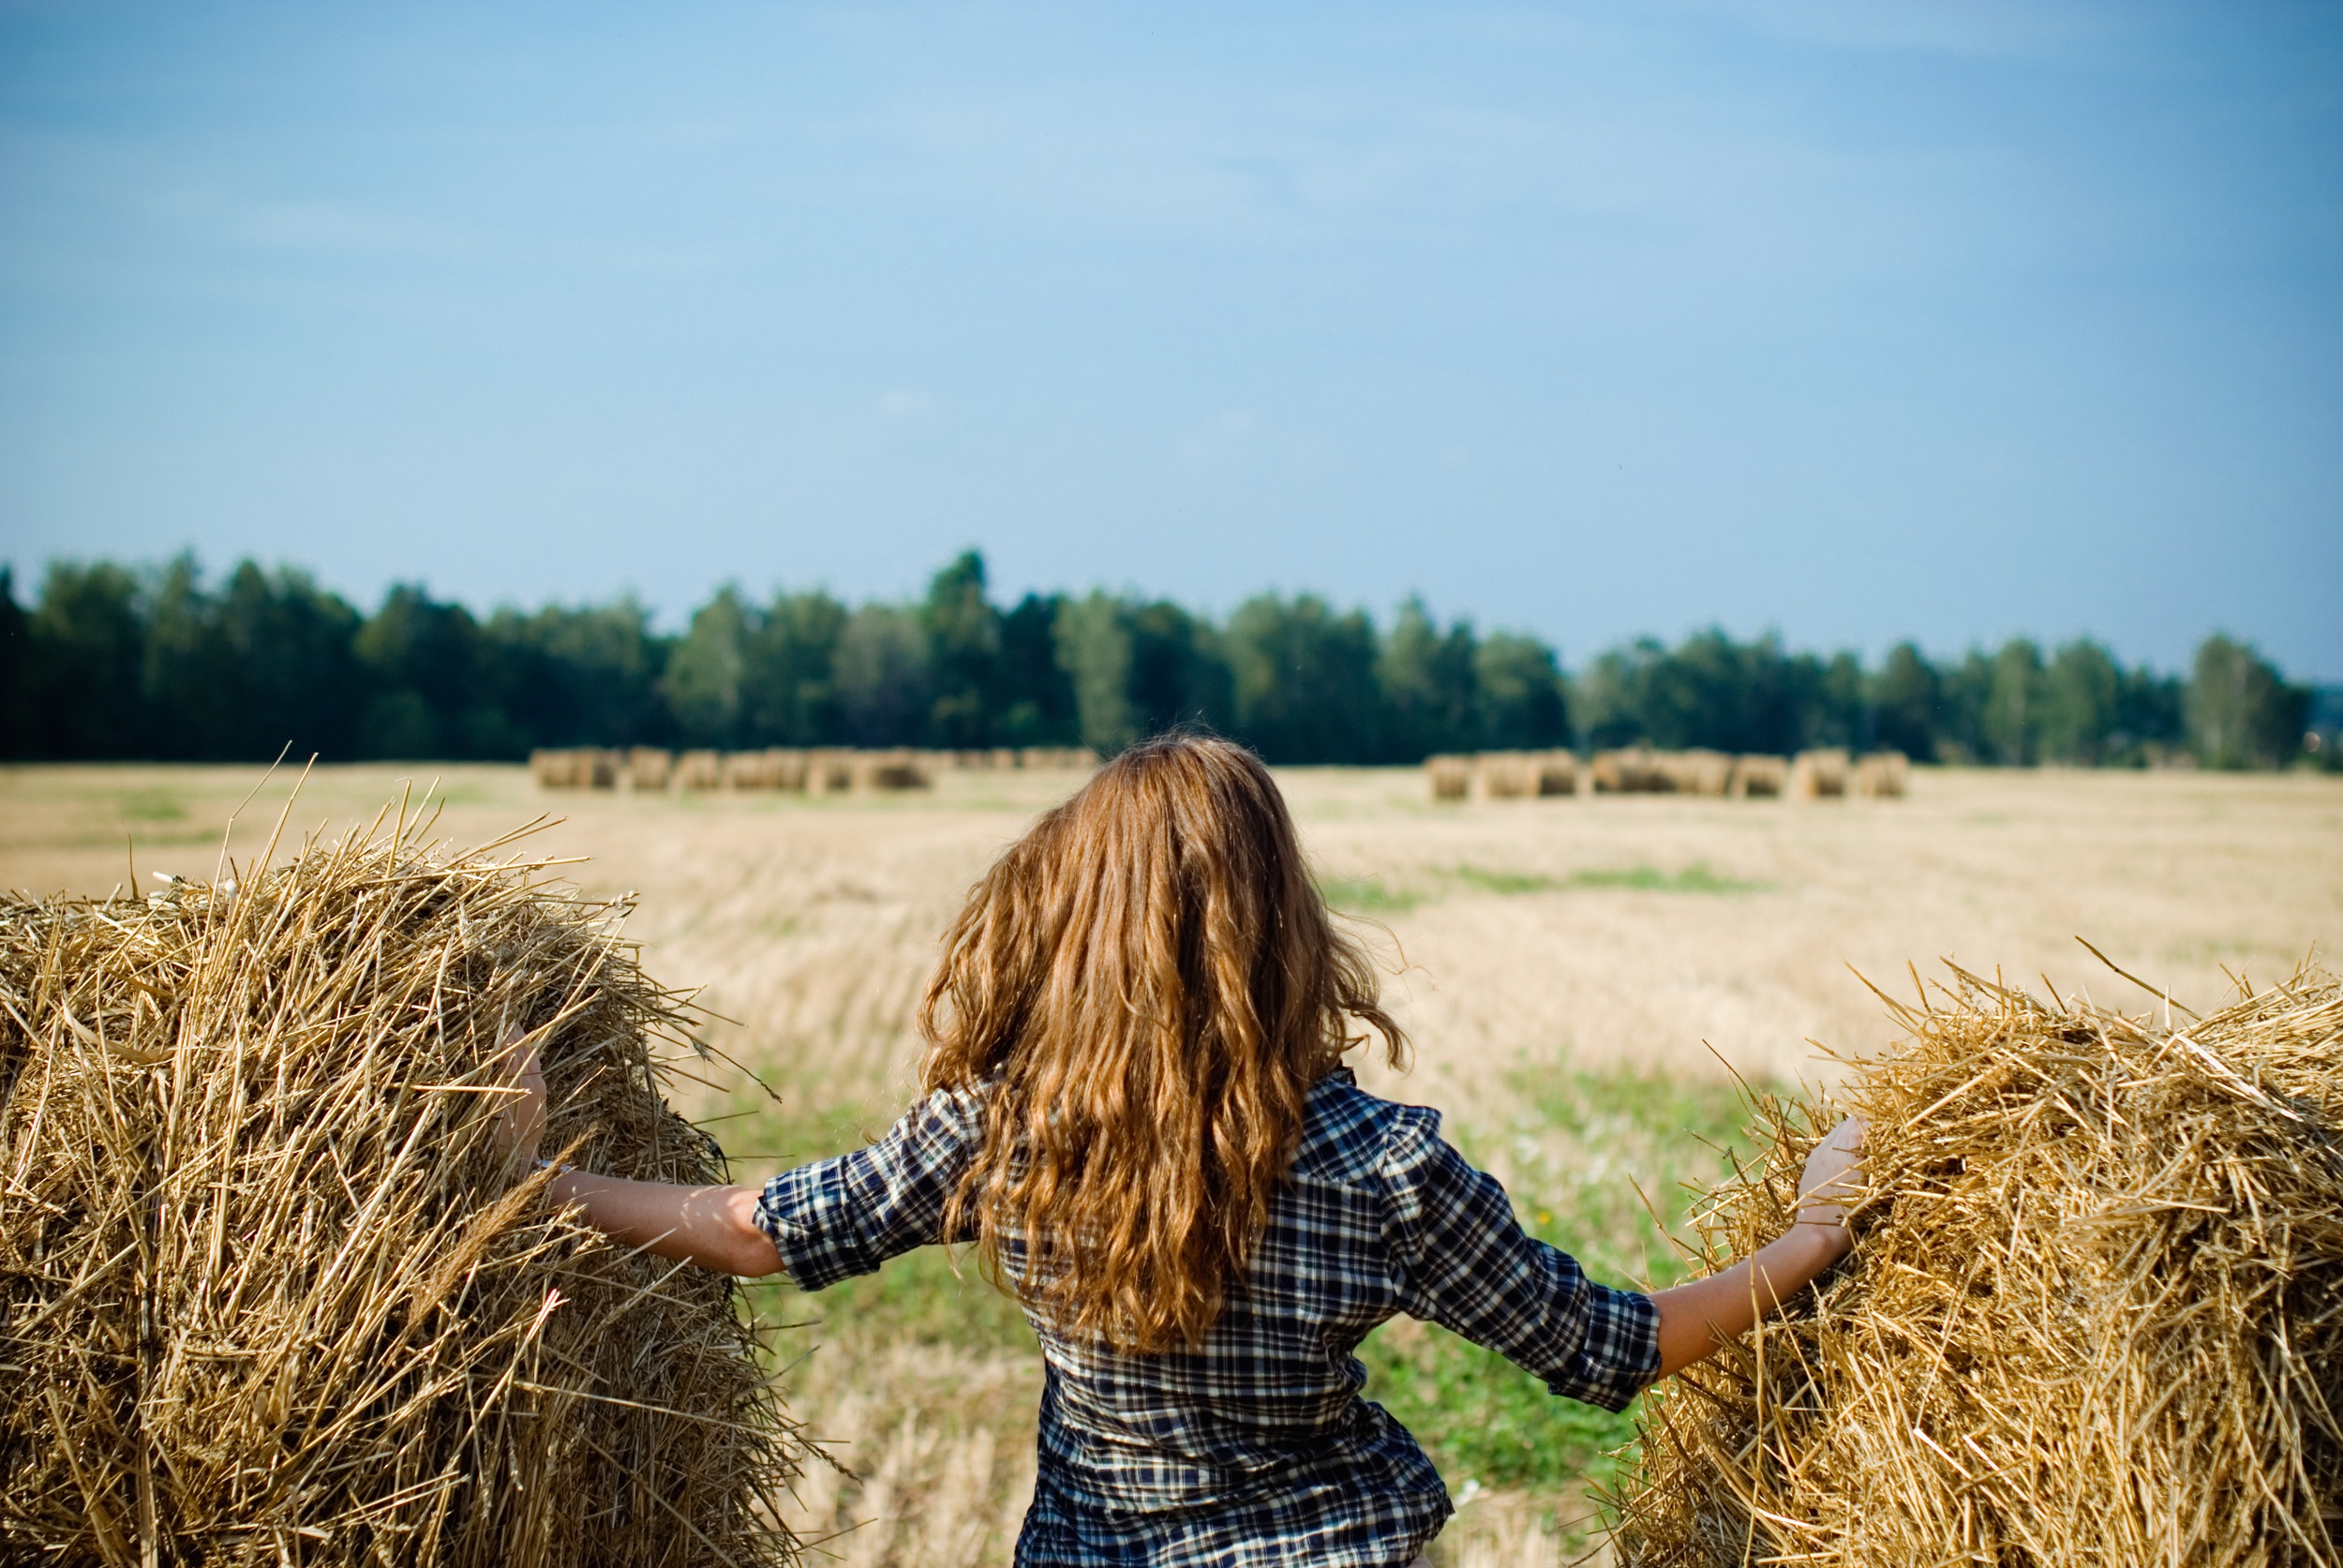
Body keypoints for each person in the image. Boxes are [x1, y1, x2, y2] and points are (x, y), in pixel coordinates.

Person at [491, 734, 1865, 1567]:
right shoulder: (1383, 1167)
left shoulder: (1007, 1131)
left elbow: (762, 1226)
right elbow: (1606, 1347)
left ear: (1080, 924)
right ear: (1283, 920)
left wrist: (545, 1181)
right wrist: (1809, 1236)